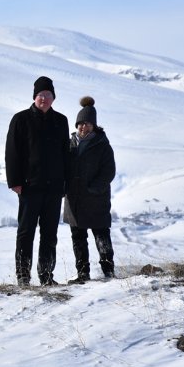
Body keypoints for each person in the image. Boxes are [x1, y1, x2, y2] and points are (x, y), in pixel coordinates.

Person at [5, 76, 70, 286]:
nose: (44, 98)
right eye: (41, 95)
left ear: (53, 98)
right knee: (26, 233)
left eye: (48, 95)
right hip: (29, 187)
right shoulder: (20, 119)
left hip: (53, 189)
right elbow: (12, 152)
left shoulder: (61, 121)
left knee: (50, 234)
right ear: (34, 97)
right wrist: (15, 181)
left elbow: (65, 155)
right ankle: (23, 276)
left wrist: (65, 183)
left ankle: (46, 276)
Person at [63, 96, 116, 283]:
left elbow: (108, 172)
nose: (83, 127)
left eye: (87, 124)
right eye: (80, 124)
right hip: (73, 199)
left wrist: (95, 188)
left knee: (101, 233)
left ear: (94, 125)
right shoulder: (69, 144)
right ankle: (82, 274)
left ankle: (108, 271)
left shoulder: (102, 145)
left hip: (96, 199)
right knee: (78, 237)